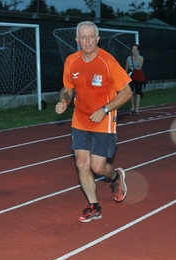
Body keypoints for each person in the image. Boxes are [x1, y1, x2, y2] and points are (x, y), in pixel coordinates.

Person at [55, 21, 132, 223]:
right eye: (83, 37)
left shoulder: (108, 62)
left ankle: (115, 176)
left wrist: (105, 109)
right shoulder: (71, 62)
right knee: (82, 163)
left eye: (91, 37)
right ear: (77, 40)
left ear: (98, 39)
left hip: (103, 119)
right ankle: (94, 206)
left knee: (98, 168)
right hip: (80, 118)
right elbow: (68, 89)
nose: (87, 41)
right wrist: (64, 101)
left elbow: (127, 93)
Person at [125, 44, 144, 115]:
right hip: (131, 76)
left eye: (136, 49)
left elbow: (140, 65)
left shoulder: (141, 57)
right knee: (130, 92)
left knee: (138, 93)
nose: (134, 50)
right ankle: (132, 107)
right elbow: (126, 68)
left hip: (138, 76)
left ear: (138, 50)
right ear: (131, 50)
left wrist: (137, 57)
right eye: (133, 49)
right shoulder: (128, 58)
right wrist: (123, 75)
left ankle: (137, 109)